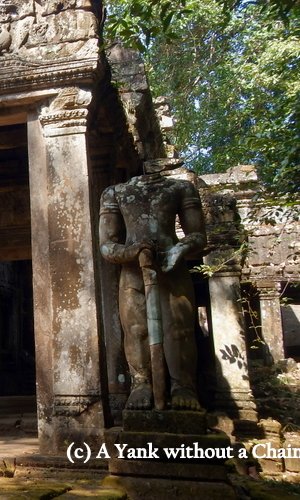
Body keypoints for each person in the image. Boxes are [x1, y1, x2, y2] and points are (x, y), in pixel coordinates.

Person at [99, 159, 206, 411]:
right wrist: (132, 252)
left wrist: (179, 249)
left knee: (179, 329)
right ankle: (142, 383)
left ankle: (183, 385)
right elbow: (106, 244)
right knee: (136, 330)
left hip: (172, 267)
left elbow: (199, 235)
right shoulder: (115, 192)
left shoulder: (181, 188)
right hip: (133, 271)